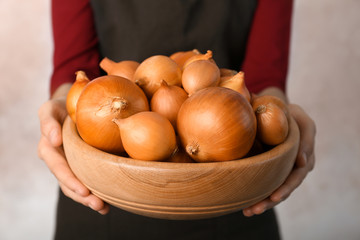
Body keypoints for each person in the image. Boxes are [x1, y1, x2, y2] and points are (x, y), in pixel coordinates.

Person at [38, 0, 316, 239]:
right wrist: (62, 107)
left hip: (233, 189)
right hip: (103, 190)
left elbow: (264, 80)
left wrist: (282, 117)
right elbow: (74, 71)